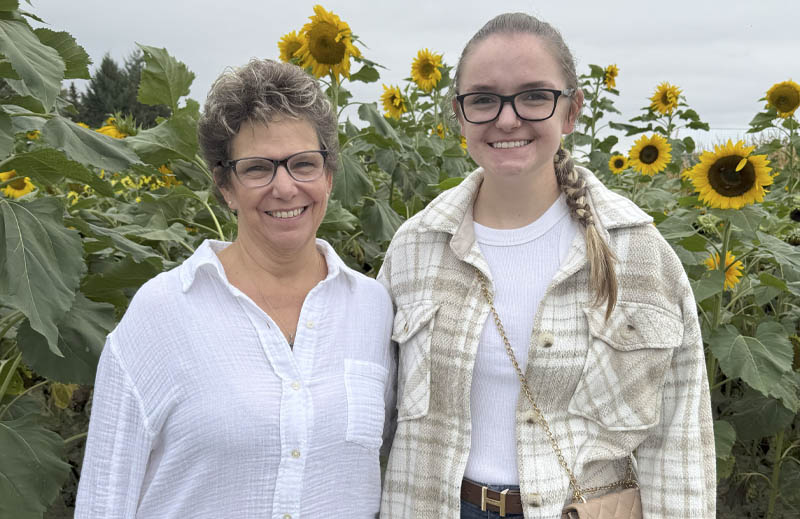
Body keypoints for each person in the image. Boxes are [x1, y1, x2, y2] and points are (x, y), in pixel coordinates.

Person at [378, 13, 715, 519]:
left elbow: (679, 439)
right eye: (484, 99)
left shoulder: (639, 254)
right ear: (459, 114)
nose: (507, 119)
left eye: (534, 96)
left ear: (572, 110)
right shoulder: (415, 247)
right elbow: (372, 417)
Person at [75, 59, 395, 518]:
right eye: (258, 168)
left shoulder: (372, 308)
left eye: (304, 164)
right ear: (225, 185)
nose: (285, 187)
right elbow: (105, 498)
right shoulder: (163, 312)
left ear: (328, 175)